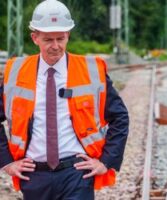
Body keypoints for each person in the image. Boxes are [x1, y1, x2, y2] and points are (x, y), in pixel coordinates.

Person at [0, 0, 129, 199]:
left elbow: (119, 117)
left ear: (68, 35)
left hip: (76, 173)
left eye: (61, 38)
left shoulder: (92, 70)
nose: (55, 46)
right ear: (35, 38)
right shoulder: (15, 72)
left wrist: (106, 161)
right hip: (33, 175)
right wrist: (6, 162)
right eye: (48, 40)